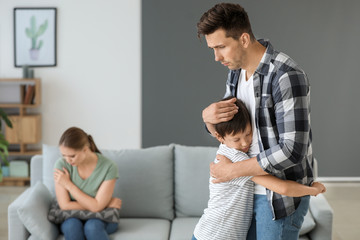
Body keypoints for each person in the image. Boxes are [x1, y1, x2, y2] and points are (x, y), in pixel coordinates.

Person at [198, 3, 315, 239]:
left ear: (243, 39)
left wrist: (233, 171)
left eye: (221, 47)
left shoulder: (285, 75)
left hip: (276, 197)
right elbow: (228, 132)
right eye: (213, 48)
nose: (216, 57)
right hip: (245, 191)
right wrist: (207, 119)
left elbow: (293, 150)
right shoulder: (235, 72)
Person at [192, 98, 325, 240]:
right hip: (215, 235)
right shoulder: (236, 158)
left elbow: (217, 129)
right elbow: (283, 189)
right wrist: (313, 190)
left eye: (248, 134)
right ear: (220, 137)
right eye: (237, 139)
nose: (244, 143)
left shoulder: (228, 148)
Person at [53, 127, 121, 240]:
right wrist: (101, 204)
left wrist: (68, 185)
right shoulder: (61, 165)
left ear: (85, 149)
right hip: (71, 217)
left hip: (101, 219)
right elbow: (64, 205)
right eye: (63, 155)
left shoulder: (109, 167)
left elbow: (97, 207)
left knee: (92, 227)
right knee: (72, 227)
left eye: (72, 156)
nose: (67, 160)